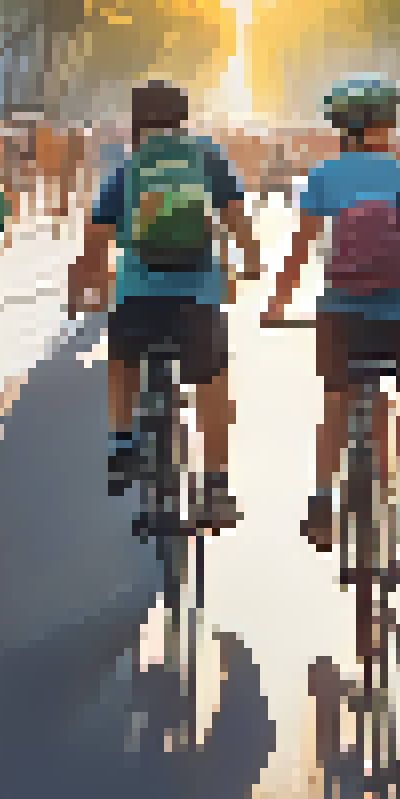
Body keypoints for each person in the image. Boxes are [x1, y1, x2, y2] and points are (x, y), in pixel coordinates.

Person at [262, 76, 400, 560]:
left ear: (341, 128)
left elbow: (300, 249)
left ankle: (325, 502)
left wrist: (277, 304)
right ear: (386, 125)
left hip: (340, 309)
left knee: (335, 400)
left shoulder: (324, 176)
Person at [66, 80, 261, 530]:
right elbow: (236, 218)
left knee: (121, 362)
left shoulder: (129, 165)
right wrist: (249, 261)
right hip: (198, 292)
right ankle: (215, 487)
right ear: (182, 118)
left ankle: (120, 447)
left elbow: (96, 237)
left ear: (138, 121)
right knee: (213, 381)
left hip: (137, 291)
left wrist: (90, 287)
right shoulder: (207, 157)